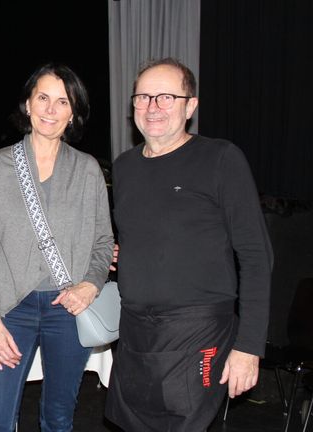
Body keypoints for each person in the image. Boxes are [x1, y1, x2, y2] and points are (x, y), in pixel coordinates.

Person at [104, 57, 273, 431]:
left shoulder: (220, 158)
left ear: (190, 106)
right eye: (143, 97)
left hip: (197, 329)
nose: (152, 107)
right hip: (133, 329)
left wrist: (248, 347)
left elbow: (257, 257)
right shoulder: (125, 166)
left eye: (166, 97)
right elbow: (149, 235)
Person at [0, 63, 115, 431]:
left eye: (62, 102)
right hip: (12, 309)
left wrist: (90, 285)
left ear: (73, 114)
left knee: (57, 417)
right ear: (27, 104)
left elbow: (104, 241)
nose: (51, 110)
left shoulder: (87, 170)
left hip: (67, 310)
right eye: (43, 98)